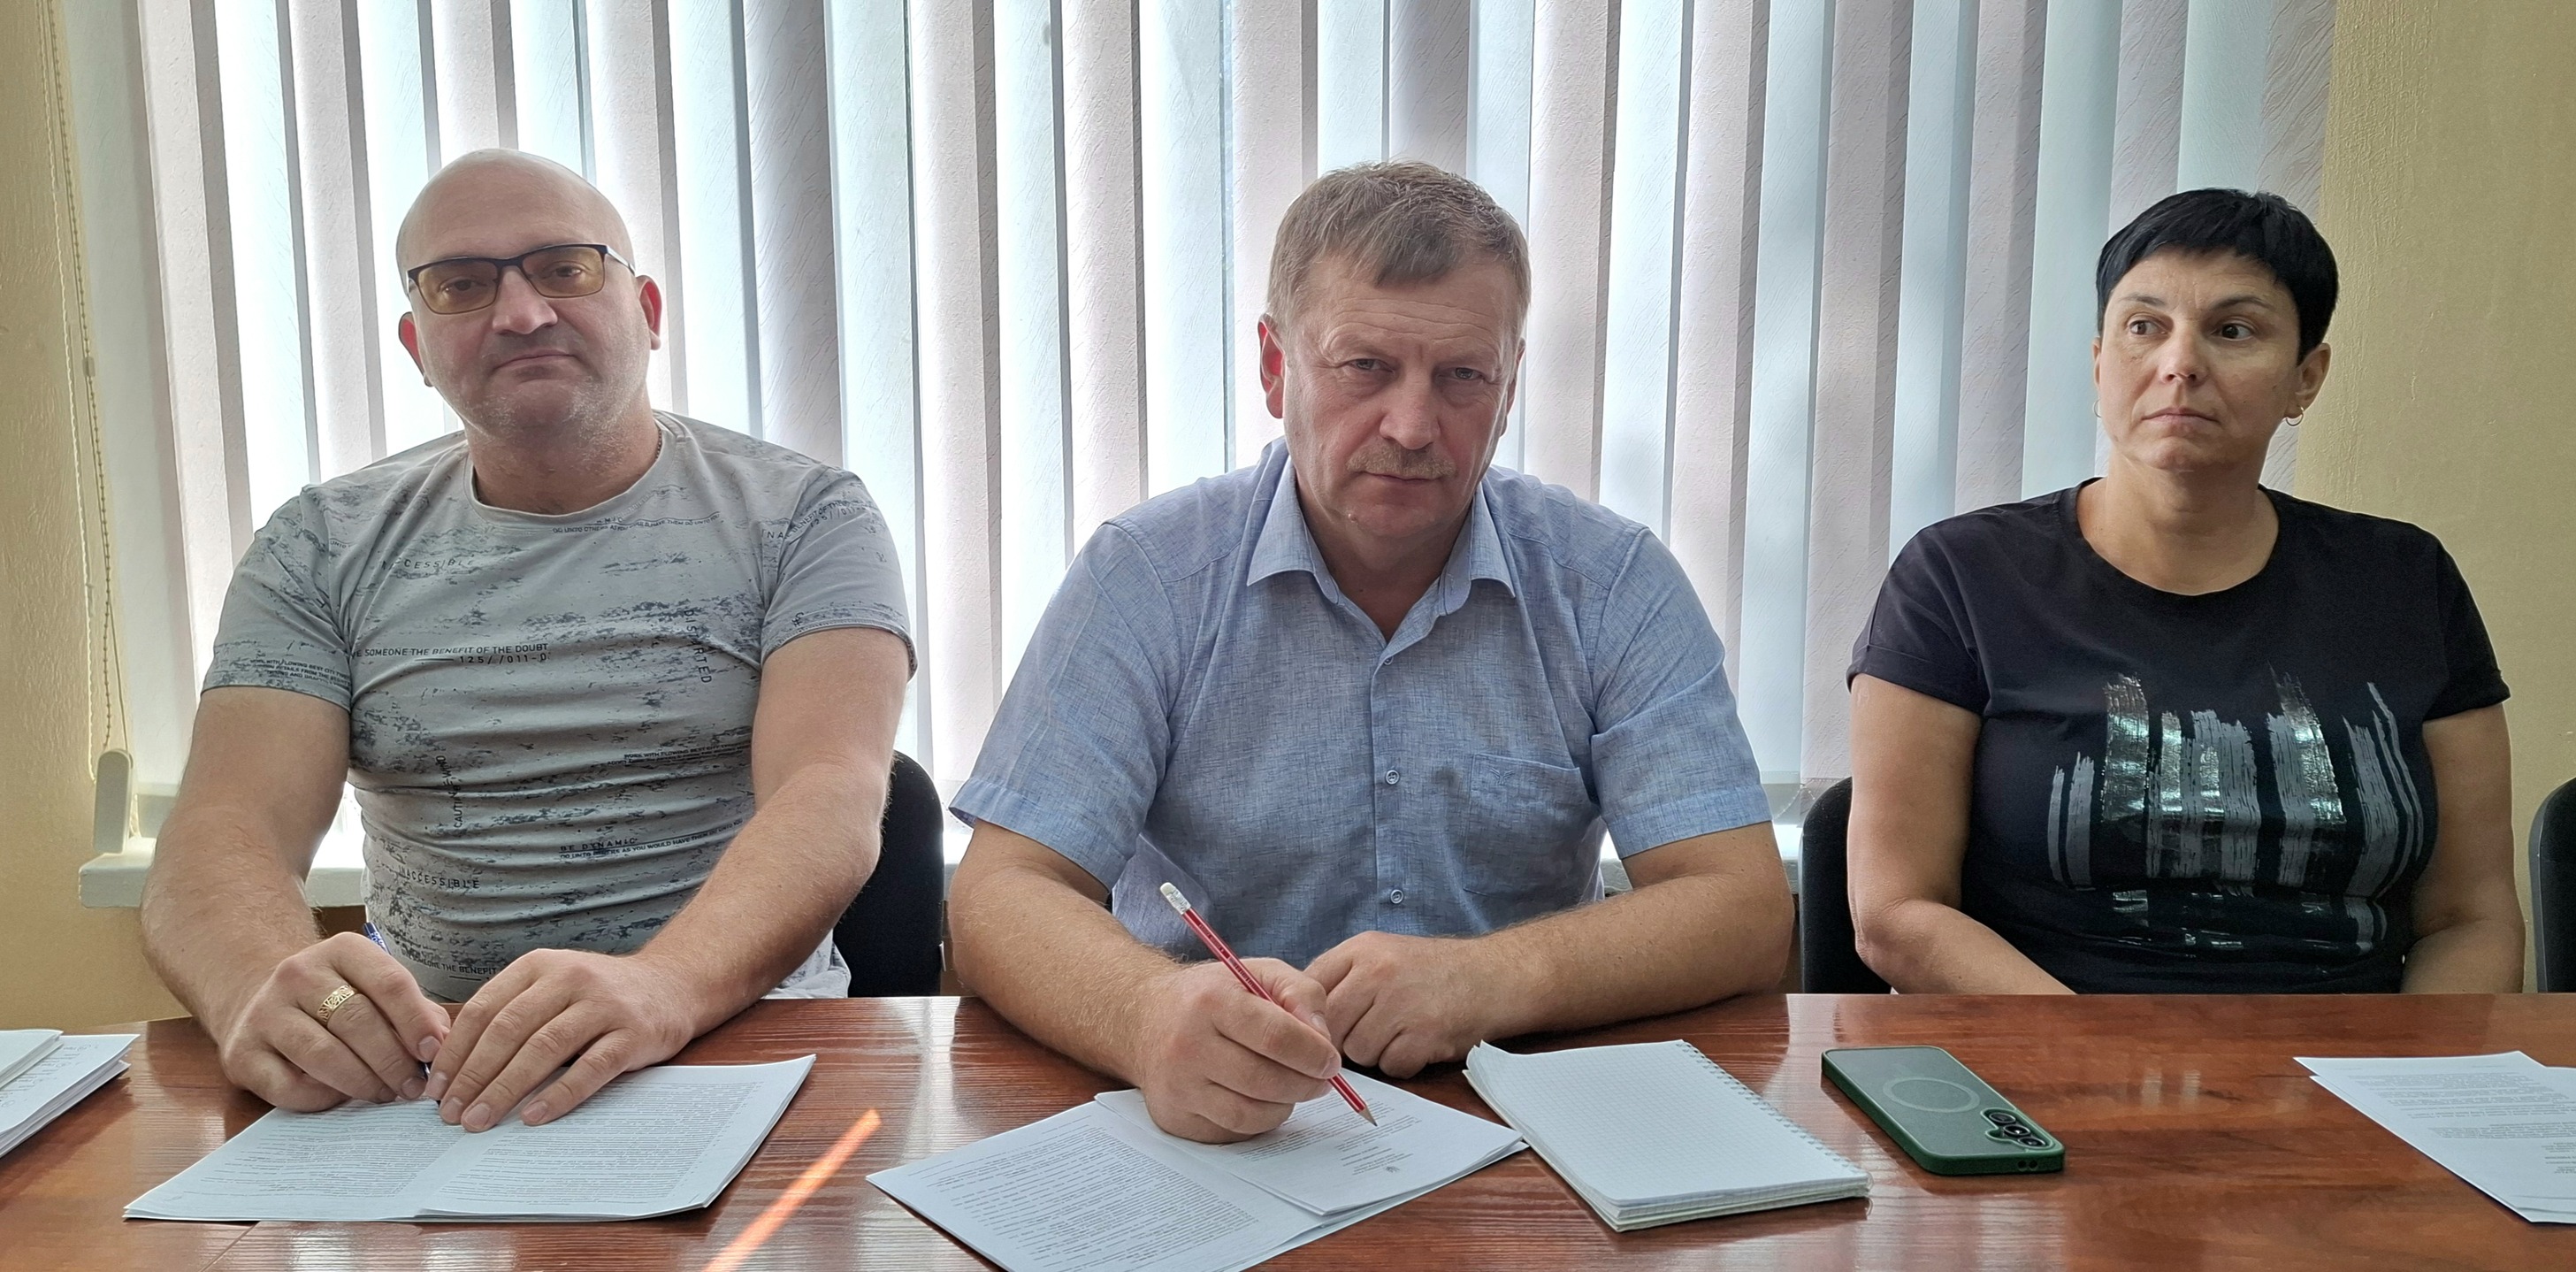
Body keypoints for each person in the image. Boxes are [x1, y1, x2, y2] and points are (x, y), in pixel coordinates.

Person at [947, 161, 1792, 1144]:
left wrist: (1492, 977)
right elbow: (1001, 893)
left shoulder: (1610, 584)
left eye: (1463, 376)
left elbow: (1742, 907)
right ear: (1276, 368)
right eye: (1364, 367)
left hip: (1525, 1116)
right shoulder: (1148, 577)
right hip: (1209, 1119)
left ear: (1510, 385)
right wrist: (1145, 1015)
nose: (1412, 426)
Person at [140, 149, 914, 1130]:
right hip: (430, 1071)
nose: (521, 313)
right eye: (462, 285)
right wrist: (257, 986)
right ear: (417, 345)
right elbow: (224, 828)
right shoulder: (317, 545)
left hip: (742, 1042)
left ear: (649, 311)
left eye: (565, 268)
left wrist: (663, 987)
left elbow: (829, 790)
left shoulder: (808, 516)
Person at [1845, 188, 2523, 994]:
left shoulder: (2404, 580)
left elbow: (2470, 918)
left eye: (2233, 330)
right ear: (2099, 364)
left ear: (2305, 379)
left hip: (2354, 1055)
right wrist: (2100, 1056)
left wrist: (2422, 1069)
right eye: (2143, 327)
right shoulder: (1961, 575)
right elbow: (1898, 912)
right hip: (2046, 1043)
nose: (2180, 364)